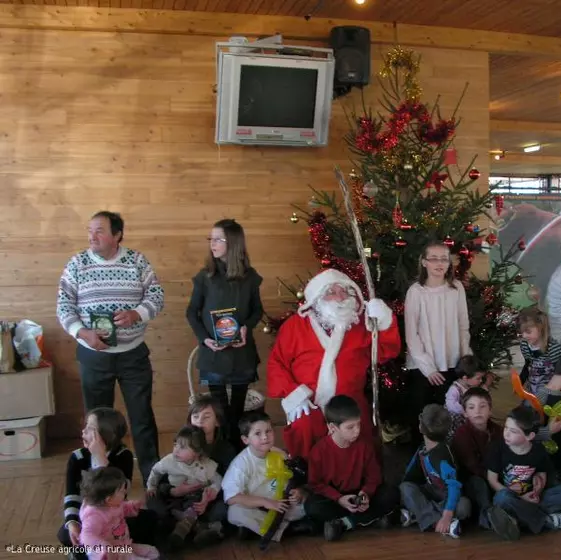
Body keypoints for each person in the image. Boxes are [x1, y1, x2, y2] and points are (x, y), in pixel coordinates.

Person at [57, 210, 164, 482]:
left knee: (142, 420)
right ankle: (99, 481)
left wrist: (137, 314)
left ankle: (153, 482)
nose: (92, 236)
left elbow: (156, 296)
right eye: (90, 230)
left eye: (100, 230)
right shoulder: (77, 264)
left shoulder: (137, 261)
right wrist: (82, 333)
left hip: (133, 356)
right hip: (94, 357)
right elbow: (64, 306)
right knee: (96, 423)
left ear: (117, 235)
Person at [266, 268, 400, 459]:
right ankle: (305, 476)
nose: (340, 297)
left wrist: (386, 322)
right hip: (308, 402)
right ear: (316, 299)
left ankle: (359, 480)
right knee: (303, 426)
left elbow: (387, 351)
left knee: (361, 437)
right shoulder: (295, 326)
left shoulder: (362, 324)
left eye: (344, 291)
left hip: (350, 401)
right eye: (331, 292)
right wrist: (293, 394)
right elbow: (277, 363)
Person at [186, 219, 264, 449]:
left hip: (241, 353)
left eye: (219, 239)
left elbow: (257, 311)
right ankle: (222, 455)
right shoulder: (205, 276)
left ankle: (239, 455)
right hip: (213, 354)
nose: (213, 243)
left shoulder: (250, 277)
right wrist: (205, 339)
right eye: (211, 239)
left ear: (234, 243)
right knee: (218, 410)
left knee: (238, 410)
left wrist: (246, 328)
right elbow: (192, 313)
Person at [60, 408, 156, 555]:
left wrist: (101, 460)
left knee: (151, 519)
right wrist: (72, 523)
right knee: (65, 534)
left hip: (115, 517)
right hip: (89, 520)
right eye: (85, 426)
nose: (83, 431)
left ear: (106, 434)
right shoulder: (77, 457)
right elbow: (71, 495)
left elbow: (121, 493)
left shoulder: (123, 455)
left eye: (90, 428)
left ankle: (115, 549)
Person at [304, 395, 399, 541]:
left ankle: (345, 523)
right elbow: (315, 484)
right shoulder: (319, 451)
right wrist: (339, 498)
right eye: (350, 427)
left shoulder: (364, 446)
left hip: (358, 495)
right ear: (332, 428)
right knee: (312, 506)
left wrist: (365, 494)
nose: (357, 431)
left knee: (390, 494)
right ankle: (370, 519)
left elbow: (374, 476)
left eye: (358, 425)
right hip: (335, 499)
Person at [148, 395, 235, 543]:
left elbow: (229, 483)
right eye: (195, 416)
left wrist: (208, 497)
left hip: (205, 500)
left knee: (224, 510)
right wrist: (174, 491)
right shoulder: (181, 444)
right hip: (176, 496)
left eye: (206, 417)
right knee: (152, 500)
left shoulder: (225, 450)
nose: (200, 421)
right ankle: (200, 528)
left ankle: (186, 528)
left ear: (218, 421)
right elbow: (161, 475)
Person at [405, 242, 472, 433]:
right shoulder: (416, 292)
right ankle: (423, 454)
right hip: (423, 367)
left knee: (449, 413)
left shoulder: (456, 288)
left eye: (444, 258)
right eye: (433, 258)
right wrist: (429, 368)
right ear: (424, 262)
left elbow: (462, 324)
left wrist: (465, 357)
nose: (439, 263)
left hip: (451, 362)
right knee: (423, 413)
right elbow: (412, 334)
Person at [486, 406, 561, 540]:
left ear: (529, 436)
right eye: (506, 428)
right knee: (502, 498)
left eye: (513, 431)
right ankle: (546, 521)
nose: (506, 434)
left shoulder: (538, 451)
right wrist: (521, 497)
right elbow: (492, 480)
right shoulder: (498, 448)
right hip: (509, 497)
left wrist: (539, 486)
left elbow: (542, 472)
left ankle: (519, 520)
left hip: (533, 498)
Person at [222, 411, 310, 541]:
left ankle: (257, 531)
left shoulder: (280, 454)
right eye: (258, 433)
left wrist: (298, 492)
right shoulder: (240, 464)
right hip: (258, 506)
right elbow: (231, 498)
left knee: (309, 500)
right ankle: (286, 531)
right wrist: (266, 502)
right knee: (235, 512)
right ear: (245, 439)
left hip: (281, 504)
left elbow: (292, 480)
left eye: (268, 431)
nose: (265, 437)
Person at [399, 404, 471, 539]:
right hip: (431, 491)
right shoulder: (423, 449)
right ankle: (436, 520)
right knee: (406, 488)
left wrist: (447, 515)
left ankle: (427, 517)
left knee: (464, 506)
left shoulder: (442, 456)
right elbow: (408, 477)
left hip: (446, 496)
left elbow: (454, 486)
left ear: (421, 427)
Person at [146, 426, 223, 548]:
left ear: (197, 452)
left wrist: (210, 493)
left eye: (182, 447)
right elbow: (155, 471)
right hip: (174, 494)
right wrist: (151, 486)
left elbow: (218, 480)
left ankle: (181, 533)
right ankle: (203, 528)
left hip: (196, 497)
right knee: (168, 510)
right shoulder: (169, 461)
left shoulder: (206, 465)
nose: (176, 450)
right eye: (175, 445)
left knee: (194, 506)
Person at [451, 387, 504, 535]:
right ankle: (488, 516)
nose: (478, 411)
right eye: (471, 407)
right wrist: (494, 477)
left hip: (497, 477)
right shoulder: (462, 434)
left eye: (482, 406)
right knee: (478, 483)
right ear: (465, 412)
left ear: (490, 410)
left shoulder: (499, 431)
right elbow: (473, 466)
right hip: (472, 482)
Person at [79, 467, 160, 560]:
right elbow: (86, 536)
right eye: (122, 491)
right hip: (112, 554)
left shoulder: (113, 504)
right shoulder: (94, 516)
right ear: (109, 499)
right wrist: (105, 548)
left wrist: (134, 505)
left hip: (123, 545)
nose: (125, 492)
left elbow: (123, 508)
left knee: (152, 551)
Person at [517, 307, 561, 396]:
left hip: (550, 392)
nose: (524, 335)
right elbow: (527, 365)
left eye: (528, 332)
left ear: (541, 328)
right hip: (532, 389)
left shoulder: (553, 347)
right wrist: (520, 383)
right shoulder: (524, 345)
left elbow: (560, 372)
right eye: (521, 332)